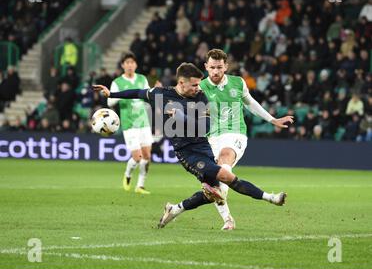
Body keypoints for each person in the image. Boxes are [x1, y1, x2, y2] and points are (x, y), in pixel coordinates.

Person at [93, 63, 293, 230]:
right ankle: (271, 198)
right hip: (186, 152)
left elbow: (205, 125)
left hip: (203, 147)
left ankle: (175, 209)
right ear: (181, 83)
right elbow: (137, 92)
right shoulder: (160, 94)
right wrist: (112, 93)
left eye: (199, 84)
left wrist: (182, 116)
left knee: (213, 193)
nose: (199, 88)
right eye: (195, 85)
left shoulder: (200, 98)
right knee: (225, 177)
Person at [200, 49, 294, 230]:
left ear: (226, 66)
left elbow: (251, 103)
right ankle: (228, 219)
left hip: (235, 133)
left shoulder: (237, 83)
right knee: (216, 178)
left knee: (224, 158)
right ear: (206, 67)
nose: (216, 71)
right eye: (212, 67)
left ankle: (221, 193)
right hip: (212, 137)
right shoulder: (201, 87)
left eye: (219, 67)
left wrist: (272, 119)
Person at [107, 52, 153, 195]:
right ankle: (128, 175)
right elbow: (109, 101)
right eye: (127, 63)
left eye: (132, 62)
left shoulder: (142, 79)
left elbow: (147, 96)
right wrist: (120, 95)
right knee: (137, 157)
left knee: (147, 156)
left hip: (144, 122)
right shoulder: (117, 83)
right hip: (129, 124)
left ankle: (140, 186)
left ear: (136, 65)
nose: (130, 65)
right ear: (122, 65)